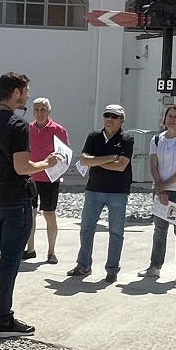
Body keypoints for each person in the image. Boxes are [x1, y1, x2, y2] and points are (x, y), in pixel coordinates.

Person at [0, 73, 60, 335]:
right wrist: (46, 164)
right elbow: (22, 167)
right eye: (26, 91)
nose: (28, 95)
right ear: (16, 92)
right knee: (9, 262)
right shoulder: (18, 126)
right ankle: (4, 319)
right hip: (16, 202)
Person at [68, 105, 132, 281]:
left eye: (115, 116)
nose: (110, 119)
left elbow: (121, 166)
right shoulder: (94, 136)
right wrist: (110, 157)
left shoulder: (127, 139)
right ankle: (83, 265)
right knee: (86, 229)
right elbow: (83, 160)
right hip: (94, 190)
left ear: (121, 120)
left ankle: (112, 269)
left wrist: (95, 161)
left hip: (118, 192)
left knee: (116, 232)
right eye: (107, 115)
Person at [139, 104, 176, 284]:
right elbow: (153, 165)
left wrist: (166, 185)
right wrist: (161, 188)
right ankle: (155, 266)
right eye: (169, 116)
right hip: (160, 189)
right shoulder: (157, 140)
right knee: (159, 229)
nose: (171, 120)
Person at [25, 97, 70, 263]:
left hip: (50, 178)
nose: (39, 113)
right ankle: (30, 249)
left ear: (49, 111)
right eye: (36, 109)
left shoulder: (58, 130)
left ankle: (51, 252)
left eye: (43, 109)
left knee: (49, 214)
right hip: (30, 177)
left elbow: (65, 154)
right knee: (30, 214)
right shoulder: (26, 128)